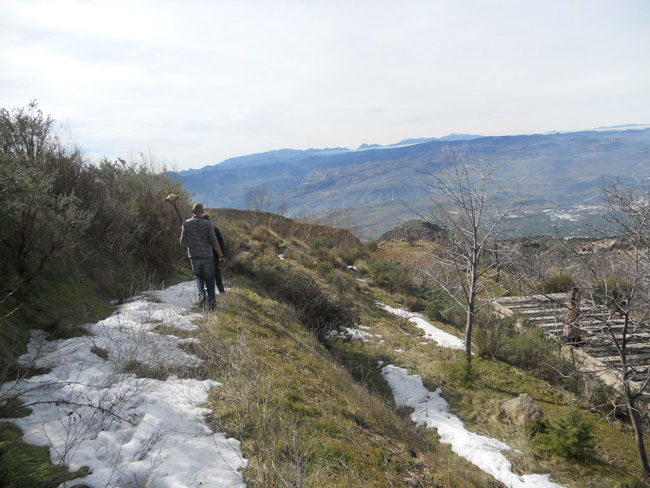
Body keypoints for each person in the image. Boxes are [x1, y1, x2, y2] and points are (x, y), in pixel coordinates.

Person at [180, 203, 225, 310]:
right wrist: (221, 255)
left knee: (198, 277)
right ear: (203, 212)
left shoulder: (186, 223)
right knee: (210, 279)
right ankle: (212, 304)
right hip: (207, 257)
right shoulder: (208, 224)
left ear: (193, 212)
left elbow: (182, 242)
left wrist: (184, 231)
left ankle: (201, 296)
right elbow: (214, 241)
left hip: (194, 256)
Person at [201, 213, 226, 294]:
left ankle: (207, 292)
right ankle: (221, 291)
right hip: (215, 256)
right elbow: (221, 243)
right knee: (217, 274)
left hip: (204, 255)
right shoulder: (215, 228)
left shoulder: (200, 230)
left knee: (205, 274)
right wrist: (222, 256)